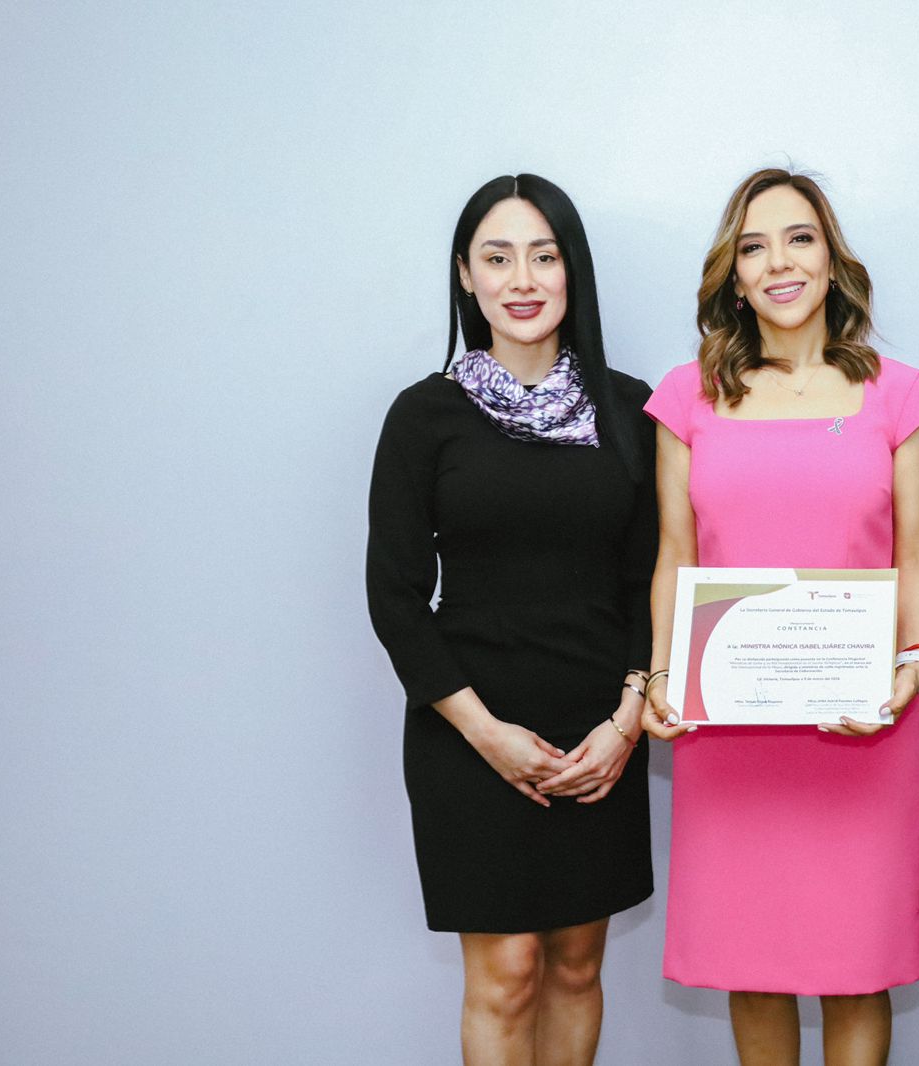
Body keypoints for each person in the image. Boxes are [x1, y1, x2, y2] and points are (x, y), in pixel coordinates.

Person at [641, 168, 919, 1066]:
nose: (779, 262)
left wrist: (913, 664)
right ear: (734, 277)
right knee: (755, 966)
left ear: (831, 258)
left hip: (862, 723)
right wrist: (662, 676)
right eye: (754, 246)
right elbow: (675, 555)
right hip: (729, 732)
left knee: (858, 969)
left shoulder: (900, 394)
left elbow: (916, 556)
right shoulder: (685, 396)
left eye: (799, 238)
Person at [366, 173, 656, 1066]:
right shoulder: (425, 416)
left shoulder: (631, 410)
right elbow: (394, 595)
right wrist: (487, 735)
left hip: (598, 732)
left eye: (544, 255)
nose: (522, 279)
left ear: (573, 271)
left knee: (574, 967)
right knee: (507, 975)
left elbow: (652, 579)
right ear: (466, 275)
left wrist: (627, 723)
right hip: (469, 730)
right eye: (497, 258)